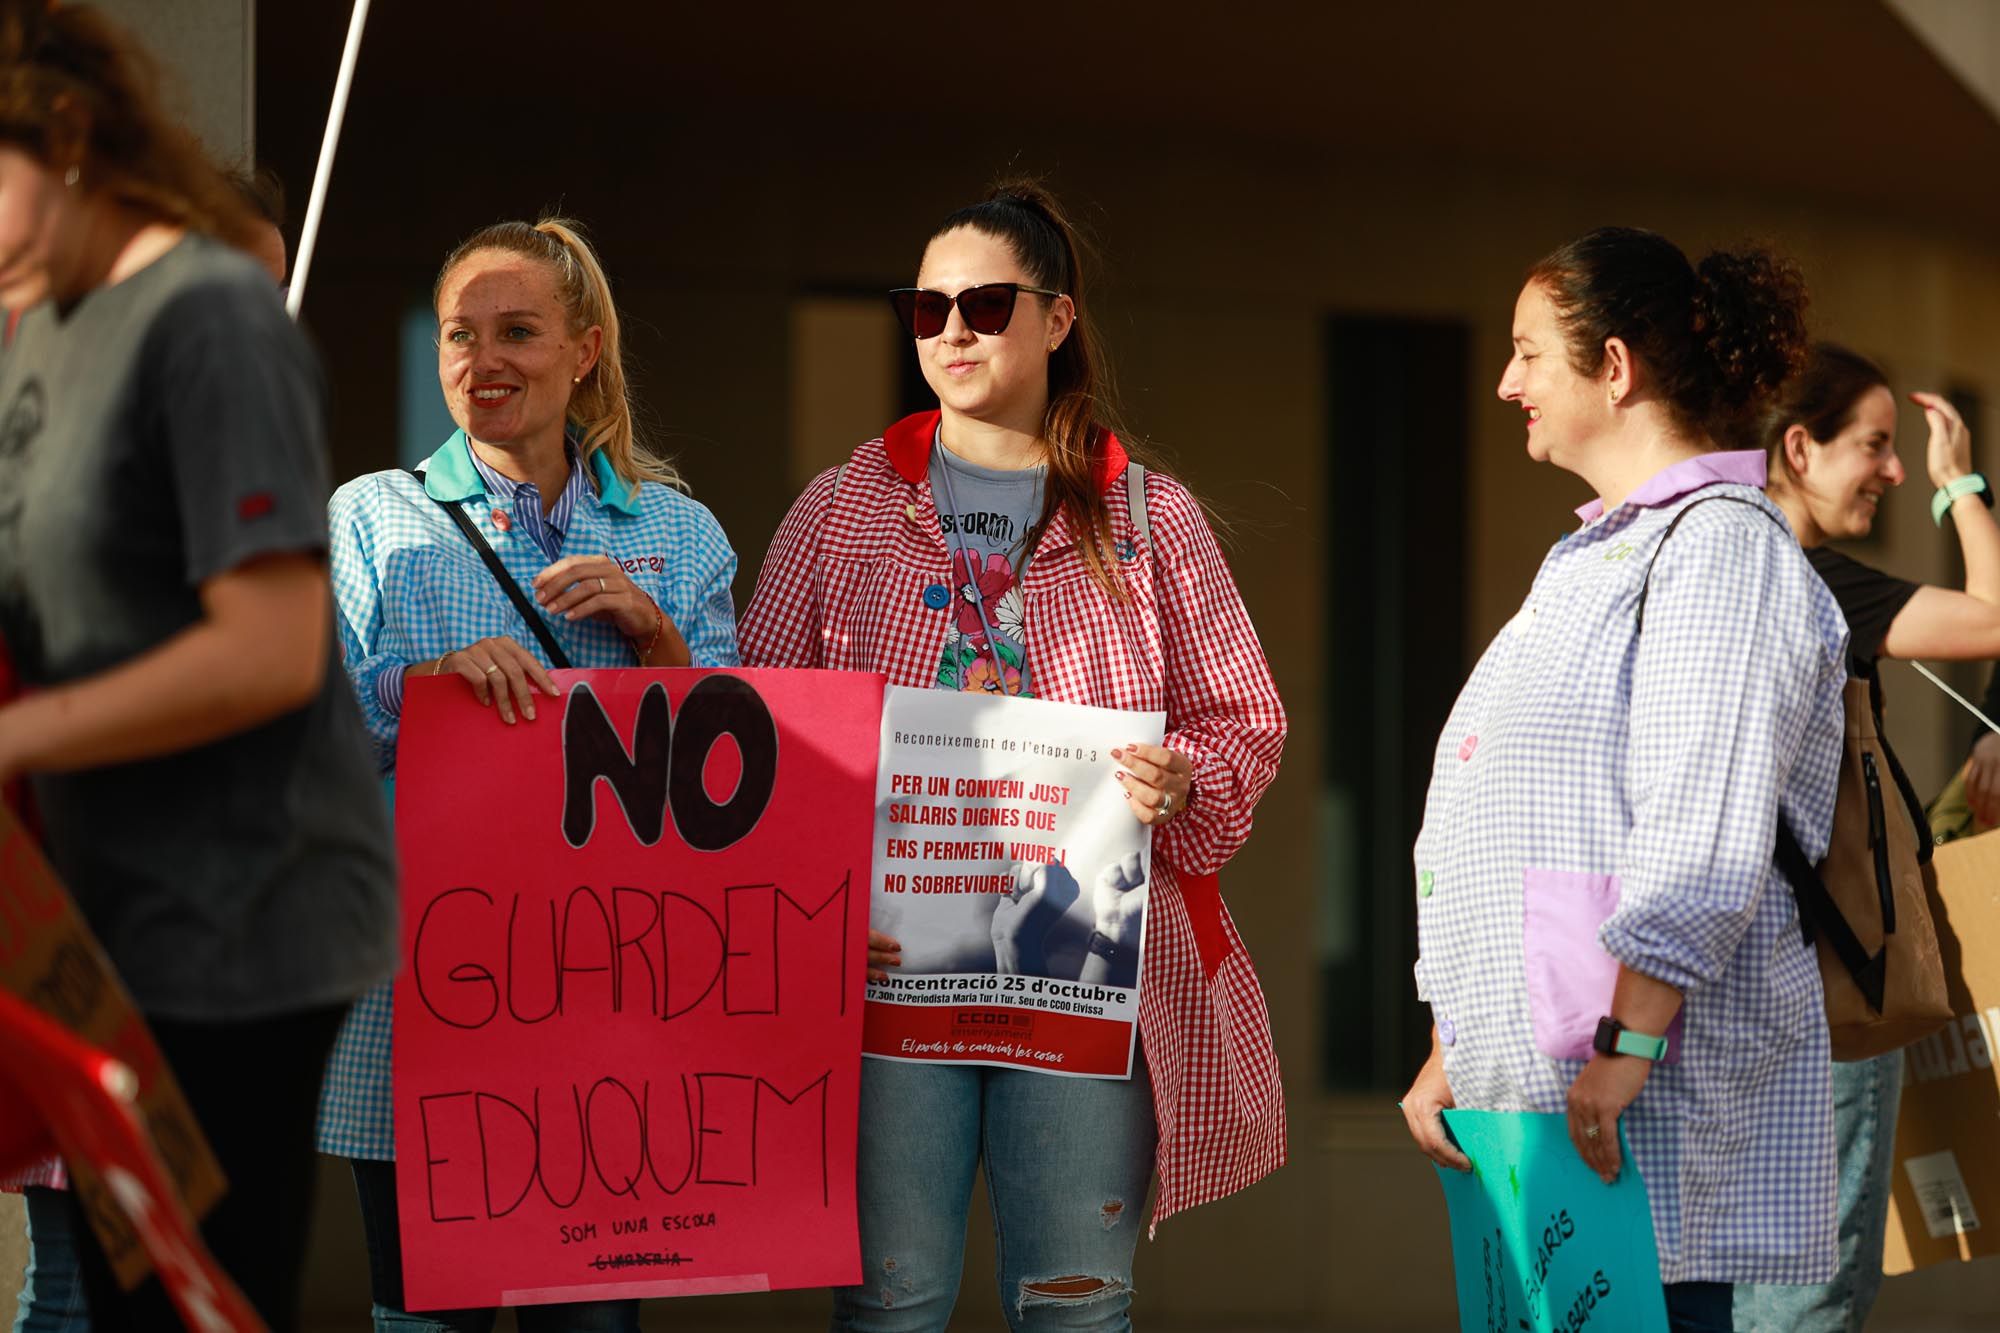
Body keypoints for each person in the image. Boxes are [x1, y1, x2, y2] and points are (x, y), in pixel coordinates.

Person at [740, 180, 1288, 1332]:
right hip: (887, 982)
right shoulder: (840, 507)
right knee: (887, 1308)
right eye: (924, 305)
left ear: (1055, 320)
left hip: (1078, 984)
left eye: (984, 304)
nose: (950, 329)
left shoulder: (1150, 516)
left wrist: (1182, 775)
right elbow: (761, 726)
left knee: (1075, 1311)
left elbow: (1244, 721)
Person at [0, 3, 398, 1328]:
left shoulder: (213, 317)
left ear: (63, 141)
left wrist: (17, 738)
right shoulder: (46, 331)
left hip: (244, 930)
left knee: (187, 1303)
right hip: (105, 917)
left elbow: (272, 648)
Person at [1399, 226, 1845, 1333]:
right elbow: (1525, 816)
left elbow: (1700, 827)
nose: (1505, 383)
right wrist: (1452, 1043)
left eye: (1528, 353)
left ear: (1614, 366)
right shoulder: (1602, 552)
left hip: (1635, 1108)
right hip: (1549, 1102)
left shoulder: (1719, 551)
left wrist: (1629, 1043)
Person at [315, 216, 739, 1332]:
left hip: (610, 1014)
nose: (482, 360)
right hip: (426, 997)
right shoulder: (369, 517)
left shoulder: (682, 539)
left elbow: (737, 794)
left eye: (517, 331)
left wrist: (658, 643)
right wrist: (431, 682)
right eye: (461, 335)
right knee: (424, 1322)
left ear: (585, 349)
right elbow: (310, 748)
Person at [1733, 346, 2000, 1331]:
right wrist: (1957, 484)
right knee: (1818, 1282)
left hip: (1724, 994)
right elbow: (1993, 618)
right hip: (1830, 982)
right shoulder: (1810, 584)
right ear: (1796, 447)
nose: (1890, 470)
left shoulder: (1699, 568)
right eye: (1873, 446)